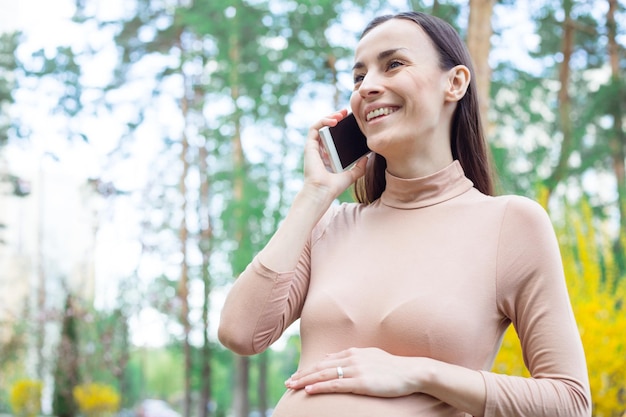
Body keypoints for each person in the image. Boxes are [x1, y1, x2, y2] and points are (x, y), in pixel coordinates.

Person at [218, 11, 591, 417]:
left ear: (455, 82)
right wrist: (313, 196)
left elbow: (569, 401)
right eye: (359, 77)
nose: (368, 87)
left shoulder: (511, 224)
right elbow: (240, 333)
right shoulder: (329, 224)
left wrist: (419, 374)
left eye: (393, 64)